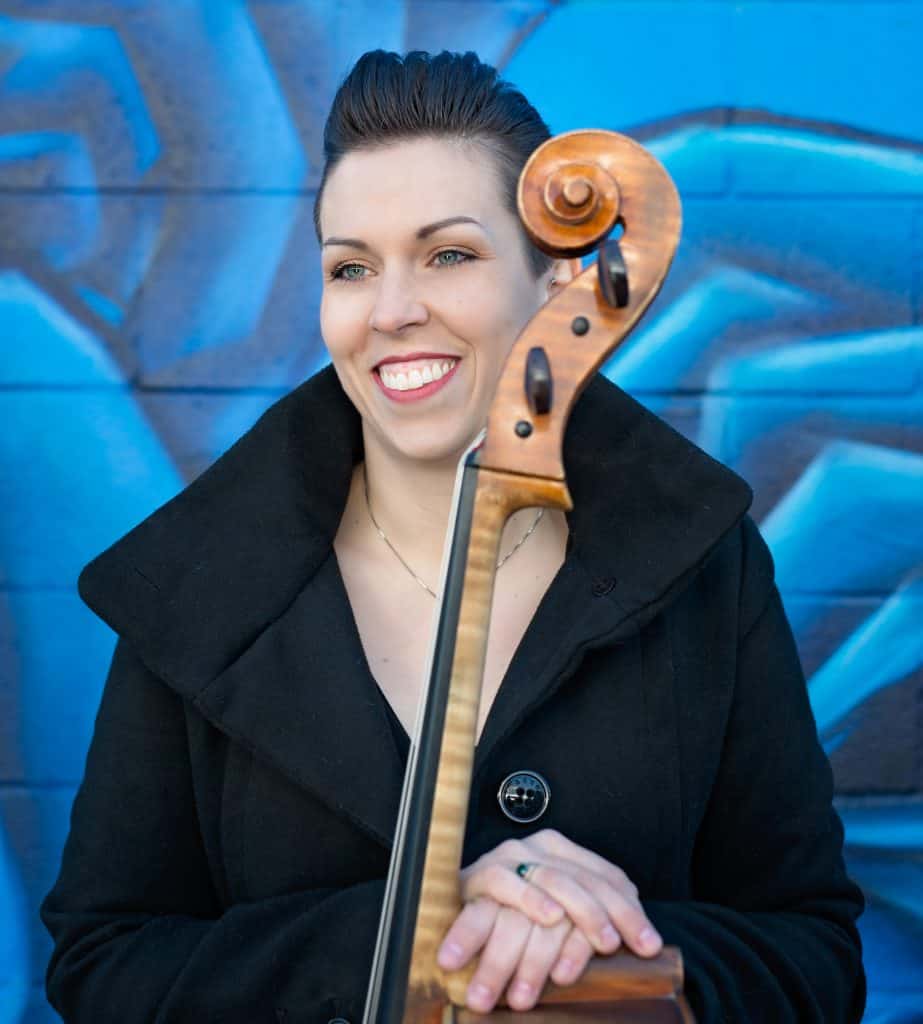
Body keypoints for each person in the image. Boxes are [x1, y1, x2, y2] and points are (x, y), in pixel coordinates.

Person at [41, 50, 865, 1023]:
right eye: (350, 268)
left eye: (448, 255)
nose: (390, 312)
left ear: (552, 278)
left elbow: (812, 952)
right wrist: (399, 938)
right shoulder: (194, 587)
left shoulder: (702, 562)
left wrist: (621, 945)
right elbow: (104, 962)